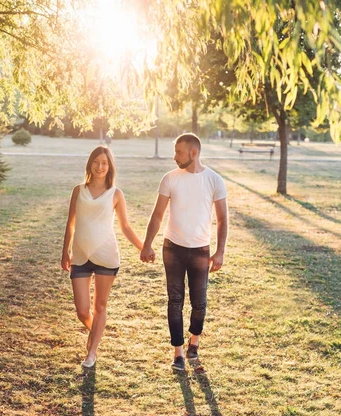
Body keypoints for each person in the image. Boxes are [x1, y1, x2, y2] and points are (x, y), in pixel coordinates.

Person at [140, 133, 228, 371]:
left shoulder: (214, 180)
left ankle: (194, 343)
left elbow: (222, 219)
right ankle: (178, 353)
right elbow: (157, 215)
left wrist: (220, 251)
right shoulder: (170, 179)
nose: (174, 156)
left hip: (200, 250)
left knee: (199, 303)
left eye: (179, 152)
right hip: (173, 248)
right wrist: (147, 243)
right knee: (175, 301)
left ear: (194, 153)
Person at [61, 146, 142, 368]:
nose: (100, 167)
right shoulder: (78, 190)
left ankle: (92, 351)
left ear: (110, 167)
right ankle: (95, 333)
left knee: (100, 307)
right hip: (79, 255)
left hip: (106, 255)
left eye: (104, 163)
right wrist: (64, 252)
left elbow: (125, 226)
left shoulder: (116, 194)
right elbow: (70, 223)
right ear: (90, 164)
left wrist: (142, 248)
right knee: (82, 310)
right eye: (96, 162)